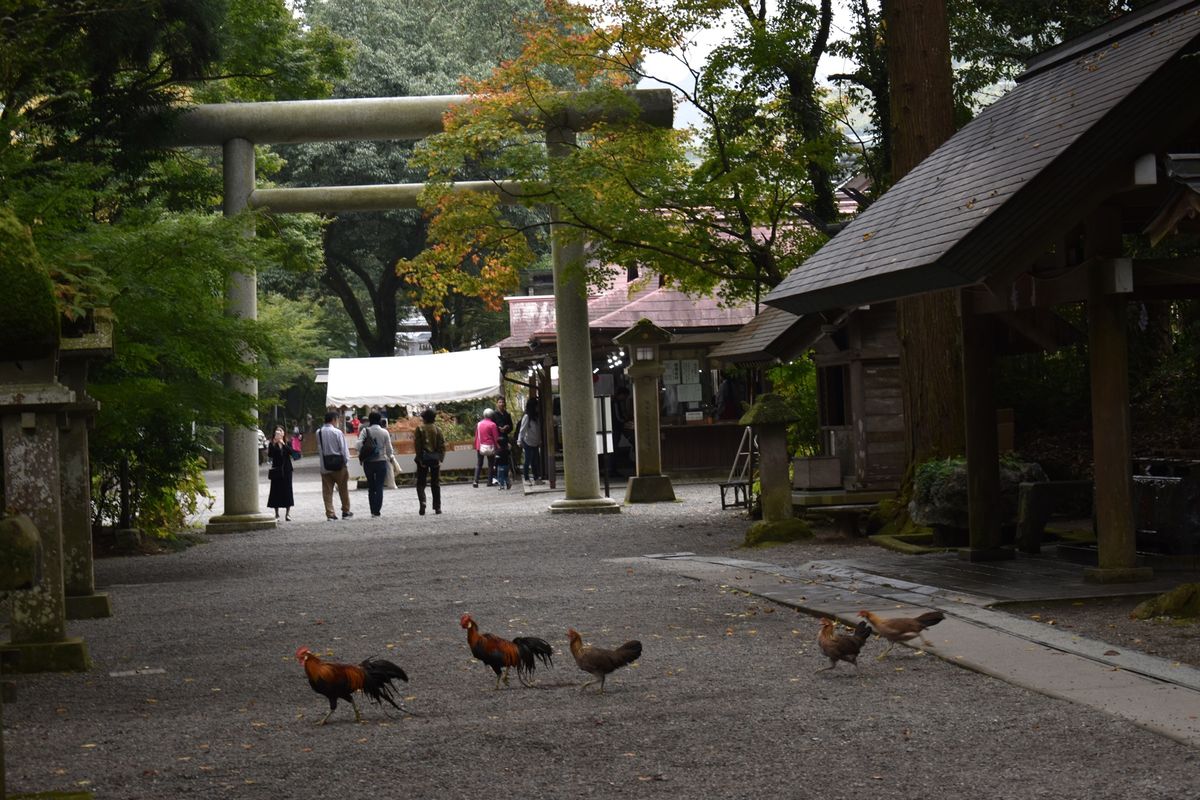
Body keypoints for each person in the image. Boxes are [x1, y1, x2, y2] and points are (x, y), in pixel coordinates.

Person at [316, 411, 353, 521]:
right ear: (333, 419)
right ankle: (345, 511)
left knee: (327, 491)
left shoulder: (318, 432)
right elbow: (343, 449)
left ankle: (330, 513)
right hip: (339, 466)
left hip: (325, 466)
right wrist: (346, 463)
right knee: (343, 489)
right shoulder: (337, 432)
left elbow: (320, 448)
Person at [358, 411, 394, 517]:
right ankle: (377, 510)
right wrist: (391, 457)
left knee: (371, 486)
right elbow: (389, 449)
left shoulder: (365, 431)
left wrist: (365, 450)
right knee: (379, 486)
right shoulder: (384, 432)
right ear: (379, 420)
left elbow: (358, 445)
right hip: (381, 462)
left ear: (370, 420)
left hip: (368, 462)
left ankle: (372, 509)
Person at [413, 407, 445, 516]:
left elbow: (417, 446)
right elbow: (442, 445)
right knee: (435, 483)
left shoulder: (420, 429)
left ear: (424, 418)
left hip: (423, 458)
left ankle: (423, 502)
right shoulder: (437, 429)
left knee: (421, 483)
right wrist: (440, 458)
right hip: (435, 459)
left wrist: (420, 459)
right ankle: (437, 507)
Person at [266, 426, 294, 521]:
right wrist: (274, 444)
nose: (278, 432)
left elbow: (292, 453)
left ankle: (288, 514)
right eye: (276, 431)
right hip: (276, 470)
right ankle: (277, 514)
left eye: (280, 431)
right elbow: (270, 455)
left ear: (283, 433)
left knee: (287, 491)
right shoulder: (272, 443)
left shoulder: (287, 442)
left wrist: (283, 444)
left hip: (287, 470)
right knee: (275, 491)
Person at [517, 398, 543, 484]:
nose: (538, 408)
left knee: (535, 461)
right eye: (536, 406)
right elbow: (522, 430)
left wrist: (539, 440)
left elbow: (538, 430)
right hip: (527, 442)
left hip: (535, 442)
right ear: (533, 407)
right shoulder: (526, 416)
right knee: (527, 461)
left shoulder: (536, 417)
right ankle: (526, 478)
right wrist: (519, 441)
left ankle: (536, 478)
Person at [493, 397, 515, 490]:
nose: (501, 404)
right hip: (497, 439)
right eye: (499, 402)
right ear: (497, 404)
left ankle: (506, 480)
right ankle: (500, 481)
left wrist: (507, 427)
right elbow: (492, 426)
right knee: (498, 461)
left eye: (502, 402)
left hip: (505, 439)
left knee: (506, 460)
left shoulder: (507, 414)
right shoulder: (494, 415)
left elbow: (511, 427)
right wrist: (498, 428)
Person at [473, 408, 499, 488]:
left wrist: (476, 445)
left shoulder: (479, 424)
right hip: (490, 446)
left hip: (480, 446)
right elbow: (496, 438)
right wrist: (497, 447)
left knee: (479, 464)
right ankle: (489, 482)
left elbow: (477, 436)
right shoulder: (493, 425)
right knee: (491, 464)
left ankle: (475, 481)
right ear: (492, 415)